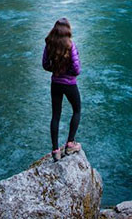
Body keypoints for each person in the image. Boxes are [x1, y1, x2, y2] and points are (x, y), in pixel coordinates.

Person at [42, 17, 82, 162]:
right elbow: (76, 69)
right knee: (77, 110)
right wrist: (67, 73)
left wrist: (57, 71)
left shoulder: (49, 45)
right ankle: (70, 143)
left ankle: (55, 150)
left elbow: (45, 65)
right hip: (70, 84)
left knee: (55, 116)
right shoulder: (70, 45)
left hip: (55, 83)